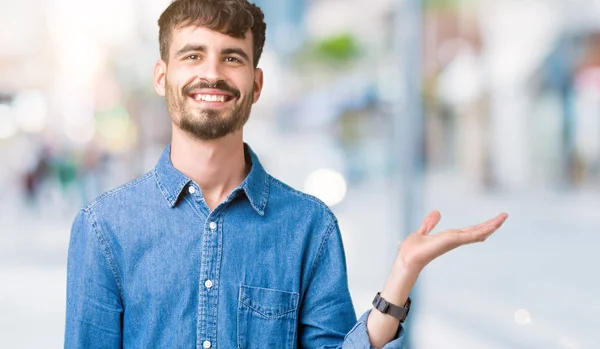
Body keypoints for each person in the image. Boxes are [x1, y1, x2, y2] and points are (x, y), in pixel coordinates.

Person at [64, 0, 508, 348]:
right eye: (193, 55)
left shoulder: (309, 227)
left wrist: (401, 276)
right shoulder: (105, 228)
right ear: (162, 77)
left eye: (232, 58)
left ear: (256, 85)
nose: (212, 74)